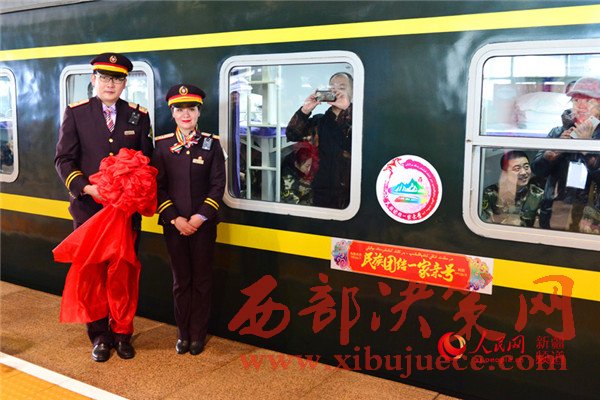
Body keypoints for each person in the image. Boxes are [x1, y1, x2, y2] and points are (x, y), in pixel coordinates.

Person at [54, 52, 153, 362]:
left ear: (125, 83)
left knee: (123, 274)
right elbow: (63, 160)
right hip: (89, 212)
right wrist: (87, 187)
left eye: (118, 79)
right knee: (93, 274)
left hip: (124, 214)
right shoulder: (76, 114)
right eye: (105, 78)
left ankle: (122, 333)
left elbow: (147, 163)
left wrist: (134, 189)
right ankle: (99, 335)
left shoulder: (138, 116)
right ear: (93, 80)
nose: (111, 84)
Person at [152, 84, 225, 355]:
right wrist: (175, 219)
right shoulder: (161, 145)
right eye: (180, 109)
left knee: (202, 281)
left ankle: (198, 334)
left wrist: (199, 217)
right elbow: (157, 187)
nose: (186, 114)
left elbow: (217, 185)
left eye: (191, 109)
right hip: (174, 227)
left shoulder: (212, 144)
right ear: (172, 113)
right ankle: (183, 334)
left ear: (198, 113)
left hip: (203, 226)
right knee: (180, 281)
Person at [531, 77, 600, 233]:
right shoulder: (557, 132)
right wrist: (553, 152)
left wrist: (587, 148)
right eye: (576, 100)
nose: (581, 106)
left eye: (589, 101)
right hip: (555, 213)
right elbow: (537, 170)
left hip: (591, 219)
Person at [285, 72, 353, 209]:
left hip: (352, 191)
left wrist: (348, 109)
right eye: (332, 87)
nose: (336, 91)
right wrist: (305, 110)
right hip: (321, 189)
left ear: (353, 92)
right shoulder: (319, 121)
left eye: (342, 87)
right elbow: (292, 134)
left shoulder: (360, 118)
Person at [481, 151, 544, 227]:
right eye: (517, 169)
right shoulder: (490, 193)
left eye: (526, 167)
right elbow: (485, 224)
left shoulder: (538, 194)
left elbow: (539, 226)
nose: (523, 172)